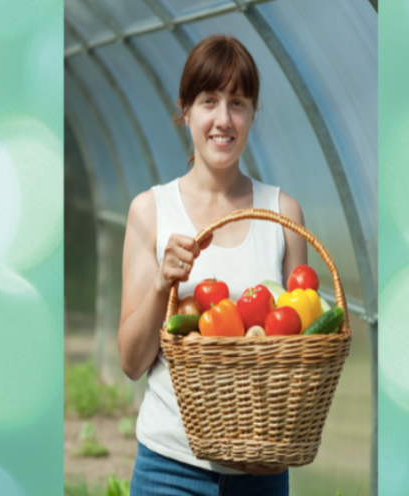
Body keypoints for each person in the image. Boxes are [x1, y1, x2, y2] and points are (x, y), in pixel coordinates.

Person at [118, 35, 306, 496]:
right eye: (208, 101)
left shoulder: (283, 214)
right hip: (169, 467)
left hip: (261, 474)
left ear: (252, 112)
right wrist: (163, 284)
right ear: (185, 110)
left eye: (237, 102)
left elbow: (299, 354)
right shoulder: (151, 211)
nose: (223, 120)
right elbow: (130, 361)